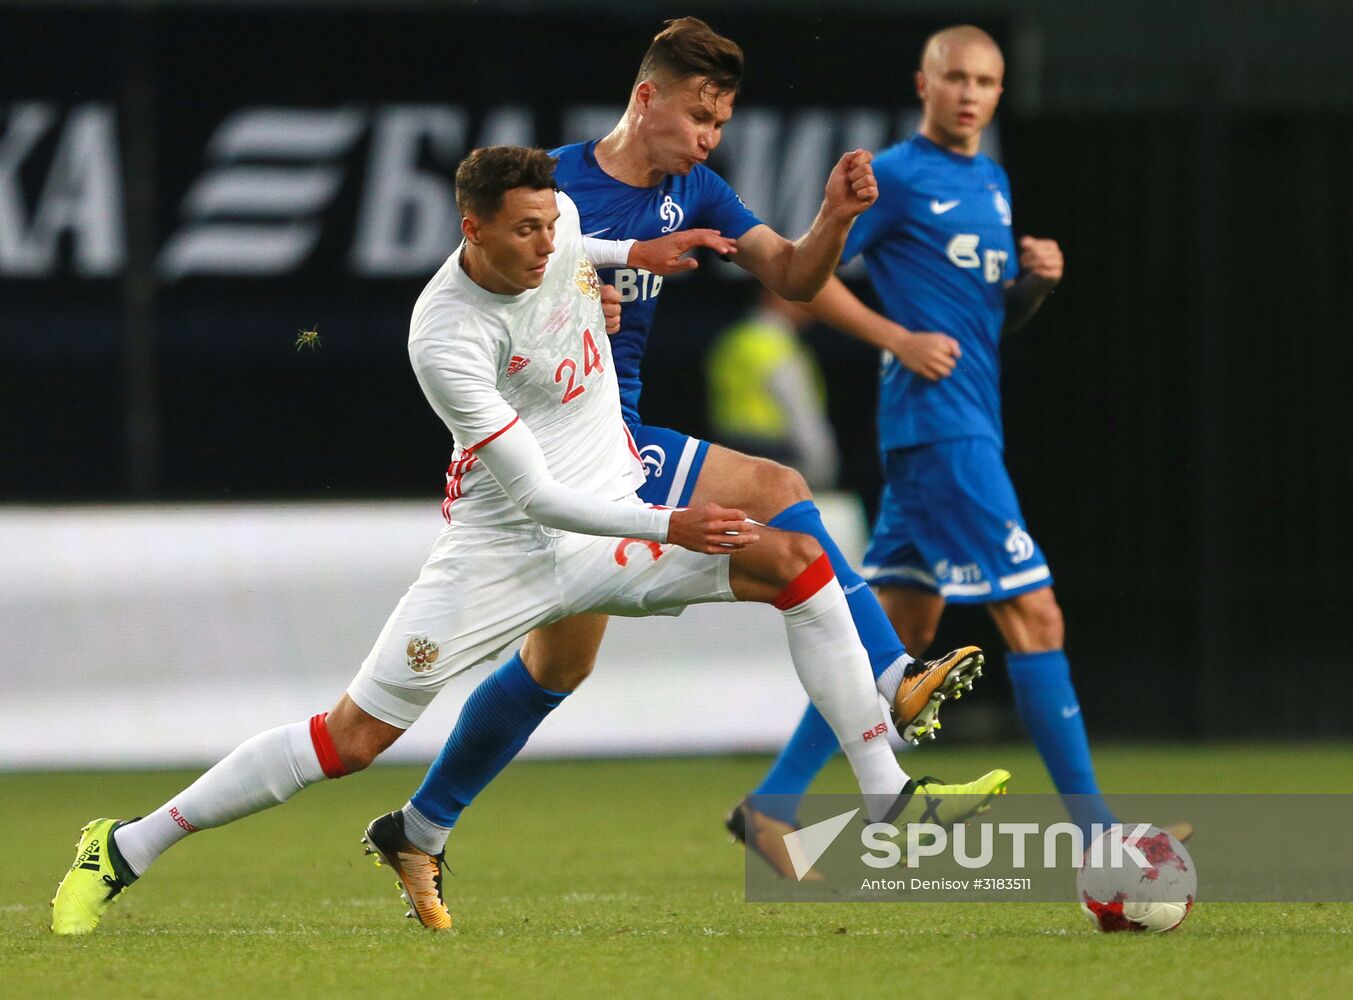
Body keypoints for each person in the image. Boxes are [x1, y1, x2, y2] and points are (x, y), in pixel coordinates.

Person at [49, 146, 1009, 936]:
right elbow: (542, 498)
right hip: (505, 553)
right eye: (526, 230)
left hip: (612, 517)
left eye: (554, 225)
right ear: (471, 230)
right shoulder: (443, 336)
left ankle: (887, 800)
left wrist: (648, 251)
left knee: (797, 560)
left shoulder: (554, 242)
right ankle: (125, 846)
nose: (548, 246)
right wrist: (671, 523)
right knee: (351, 739)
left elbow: (588, 241)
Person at [403, 16, 991, 885]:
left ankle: (420, 825)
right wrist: (562, 308)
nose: (710, 137)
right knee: (775, 484)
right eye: (698, 117)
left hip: (607, 438)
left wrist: (831, 218)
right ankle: (892, 678)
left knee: (560, 664)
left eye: (721, 122)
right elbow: (469, 295)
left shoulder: (700, 193)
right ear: (646, 100)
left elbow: (793, 277)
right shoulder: (552, 188)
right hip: (572, 443)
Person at [799, 25, 1115, 832]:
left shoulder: (994, 181)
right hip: (941, 429)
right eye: (955, 78)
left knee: (900, 631)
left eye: (984, 80)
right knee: (1036, 617)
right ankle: (1097, 837)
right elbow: (806, 282)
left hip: (964, 421)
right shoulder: (897, 177)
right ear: (923, 84)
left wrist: (1035, 286)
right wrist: (895, 337)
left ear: (998, 92)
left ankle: (769, 809)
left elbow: (983, 321)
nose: (969, 93)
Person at [706, 288, 838, 490]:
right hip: (776, 458)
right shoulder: (778, 347)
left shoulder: (734, 340)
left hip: (728, 456)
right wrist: (822, 465)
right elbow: (801, 412)